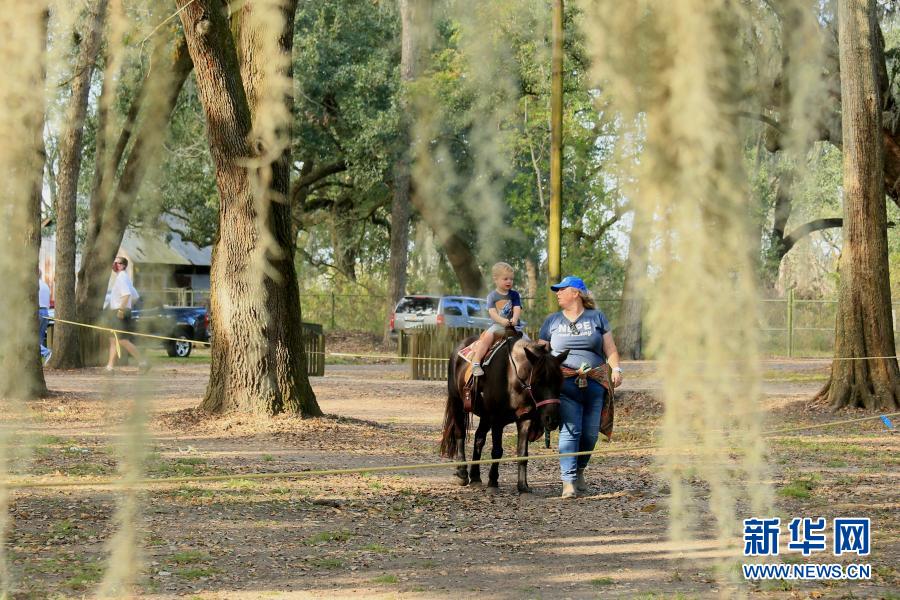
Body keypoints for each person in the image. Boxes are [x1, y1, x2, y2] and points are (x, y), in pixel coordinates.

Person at [538, 276, 623, 498]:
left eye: (562, 290)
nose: (557, 293)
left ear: (576, 293)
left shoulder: (597, 318)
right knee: (570, 431)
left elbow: (610, 349)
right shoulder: (552, 321)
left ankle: (580, 471)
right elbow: (540, 354)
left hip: (594, 383)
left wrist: (616, 369)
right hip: (564, 385)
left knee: (589, 435)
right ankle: (568, 482)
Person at [470, 262, 523, 377]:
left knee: (527, 341)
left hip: (514, 326)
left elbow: (517, 308)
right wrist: (502, 321)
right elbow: (492, 313)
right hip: (498, 326)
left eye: (511, 279)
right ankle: (476, 362)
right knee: (487, 337)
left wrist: (514, 318)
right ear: (496, 279)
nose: (509, 281)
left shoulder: (514, 295)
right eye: (505, 279)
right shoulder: (492, 296)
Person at [105, 257, 149, 372]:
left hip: (120, 312)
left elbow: (127, 295)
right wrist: (127, 307)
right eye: (114, 262)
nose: (115, 265)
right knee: (113, 340)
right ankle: (110, 367)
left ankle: (143, 362)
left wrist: (122, 310)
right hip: (119, 311)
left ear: (123, 266)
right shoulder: (125, 278)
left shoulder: (122, 278)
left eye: (118, 263)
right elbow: (135, 296)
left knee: (123, 341)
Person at [38, 269, 51, 366]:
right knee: (40, 338)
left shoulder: (34, 285)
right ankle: (39, 360)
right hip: (45, 311)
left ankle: (46, 352)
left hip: (37, 311)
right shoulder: (45, 285)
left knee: (32, 338)